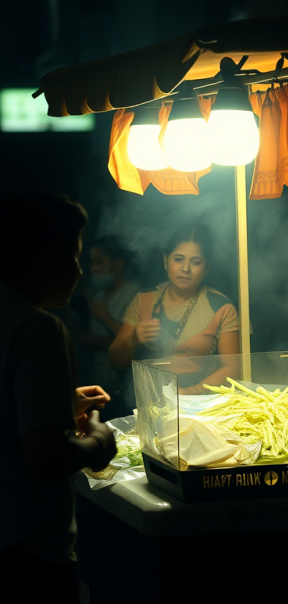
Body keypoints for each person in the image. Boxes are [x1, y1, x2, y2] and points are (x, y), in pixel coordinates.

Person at [0, 190, 117, 604]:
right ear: (51, 257)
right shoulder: (39, 328)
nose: (81, 272)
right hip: (29, 556)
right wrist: (99, 441)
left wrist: (60, 404)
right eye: (76, 257)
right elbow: (45, 456)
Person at [109, 225, 240, 399]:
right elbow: (116, 361)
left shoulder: (221, 307)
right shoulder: (144, 299)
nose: (185, 268)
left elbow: (233, 368)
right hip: (146, 396)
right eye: (178, 259)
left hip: (198, 400)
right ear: (166, 261)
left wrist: (190, 392)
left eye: (196, 262)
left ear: (207, 268)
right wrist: (133, 339)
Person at [73, 237, 141, 418]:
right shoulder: (99, 294)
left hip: (123, 388)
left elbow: (135, 345)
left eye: (99, 262)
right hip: (100, 382)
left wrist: (106, 320)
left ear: (118, 264)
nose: (93, 268)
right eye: (91, 263)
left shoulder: (135, 294)